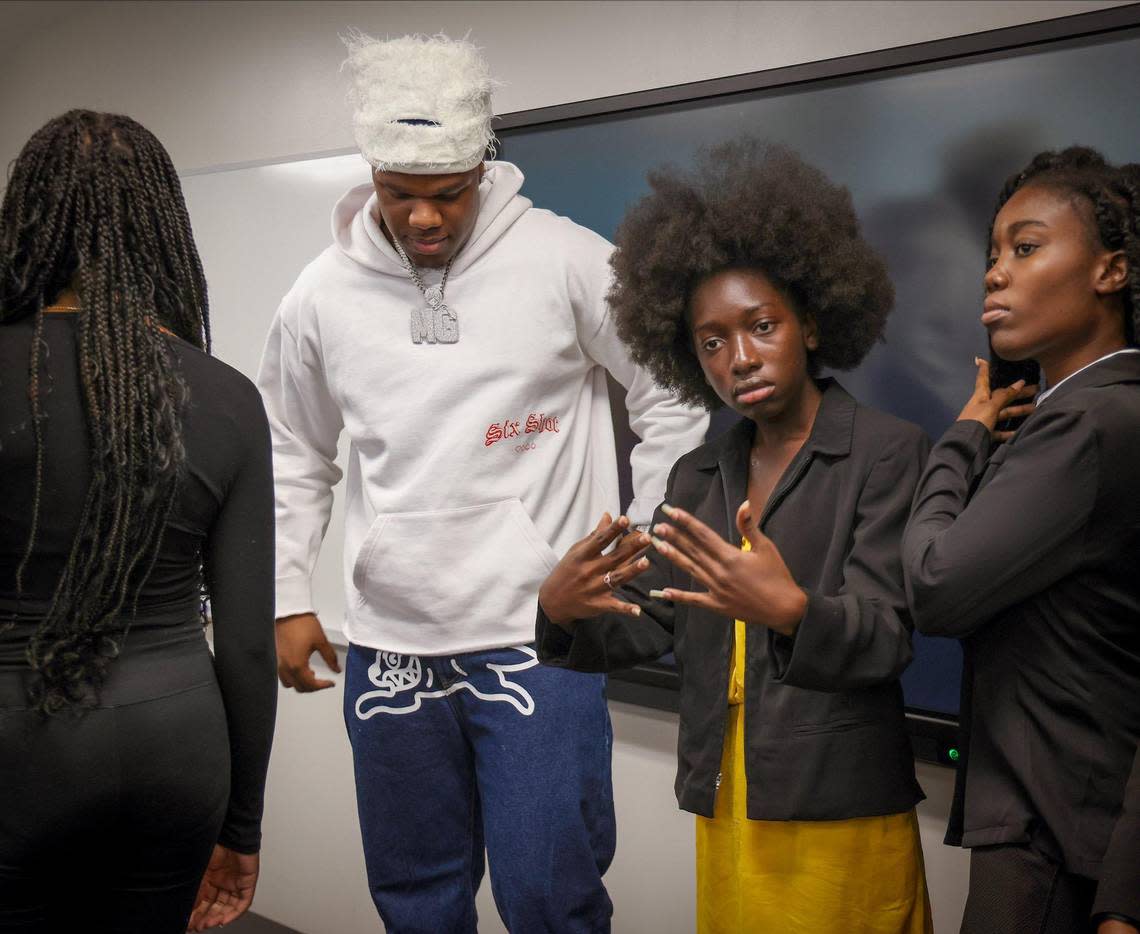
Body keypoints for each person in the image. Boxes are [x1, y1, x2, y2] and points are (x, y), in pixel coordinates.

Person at [258, 33, 708, 934]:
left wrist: (645, 545)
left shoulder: (569, 259)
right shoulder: (320, 294)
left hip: (537, 639)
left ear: (481, 165)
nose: (425, 218)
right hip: (390, 649)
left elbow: (674, 393)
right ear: (372, 174)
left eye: (447, 193)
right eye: (400, 194)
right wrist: (285, 593)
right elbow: (293, 446)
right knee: (417, 901)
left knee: (551, 898)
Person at [537, 139, 933, 934]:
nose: (738, 357)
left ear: (812, 322)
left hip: (838, 796)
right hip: (726, 794)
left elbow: (889, 635)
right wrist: (563, 608)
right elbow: (654, 622)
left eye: (761, 326)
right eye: (711, 342)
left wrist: (791, 611)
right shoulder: (696, 474)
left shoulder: (887, 451)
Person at [0, 111, 276, 933]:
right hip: (177, 746)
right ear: (162, 226)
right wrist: (243, 826)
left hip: (18, 736)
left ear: (26, 217)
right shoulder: (228, 398)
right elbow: (250, 646)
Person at [902, 146, 1140, 934]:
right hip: (1069, 821)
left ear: (1111, 271)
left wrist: (961, 438)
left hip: (1053, 833)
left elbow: (935, 584)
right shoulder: (1080, 415)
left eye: (1026, 247)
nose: (995, 273)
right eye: (993, 254)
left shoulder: (1090, 423)